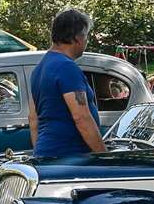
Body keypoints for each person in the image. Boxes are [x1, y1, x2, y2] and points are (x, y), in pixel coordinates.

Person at [28, 8, 106, 159]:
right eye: (86, 36)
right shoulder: (66, 67)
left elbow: (33, 118)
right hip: (70, 156)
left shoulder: (38, 69)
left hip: (46, 155)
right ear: (77, 38)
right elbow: (81, 117)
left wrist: (41, 157)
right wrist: (104, 157)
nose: (86, 41)